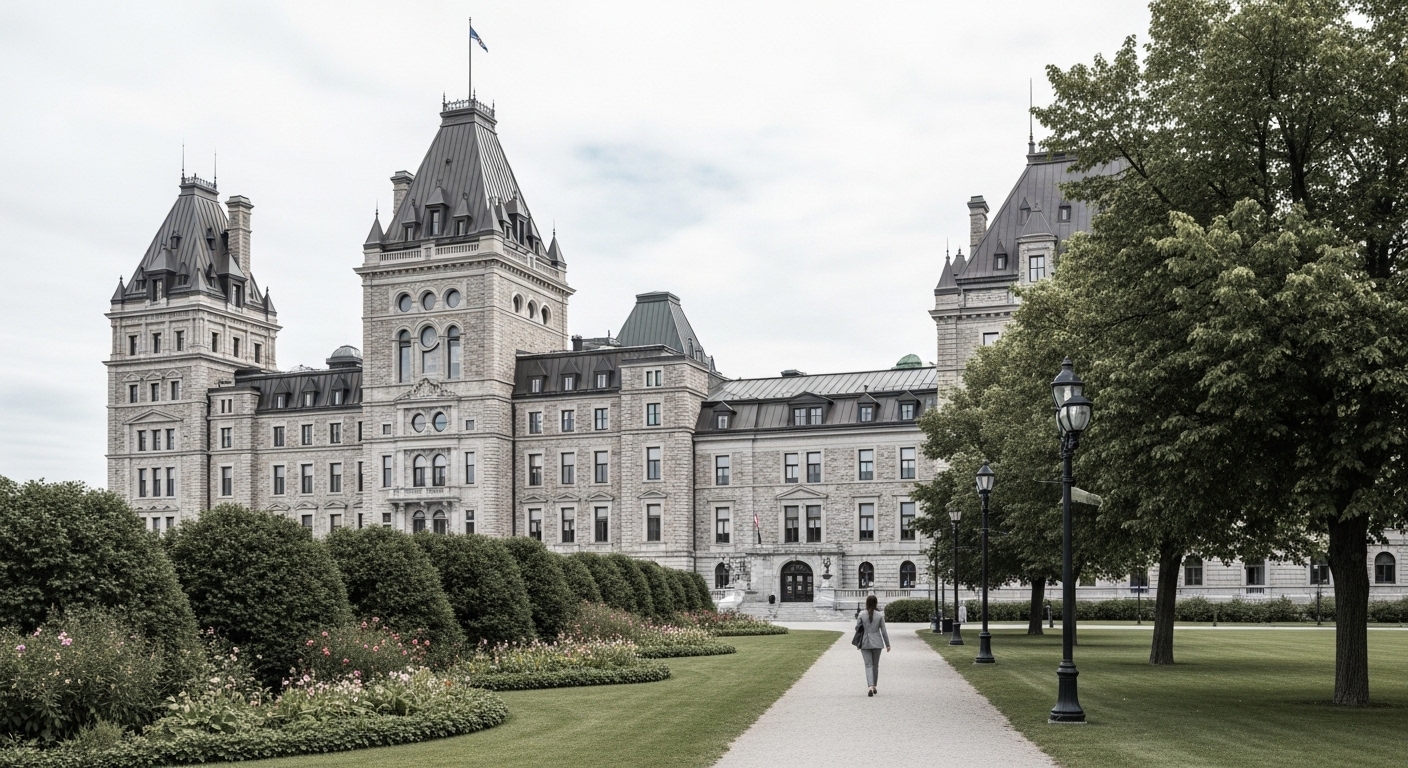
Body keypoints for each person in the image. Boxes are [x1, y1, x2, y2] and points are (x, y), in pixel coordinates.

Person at [856, 594, 891, 697]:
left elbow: (857, 628)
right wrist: (887, 644)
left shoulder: (862, 614)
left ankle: (870, 686)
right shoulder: (880, 615)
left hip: (865, 642)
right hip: (877, 642)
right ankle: (874, 685)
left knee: (868, 665)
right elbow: (884, 631)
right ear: (876, 603)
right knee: (875, 665)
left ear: (866, 603)